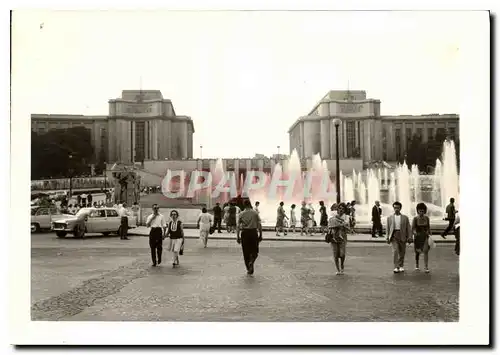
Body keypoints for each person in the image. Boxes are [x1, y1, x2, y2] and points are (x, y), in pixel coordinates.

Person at [236, 200, 263, 275]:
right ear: (250, 204)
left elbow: (238, 226)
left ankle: (249, 268)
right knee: (255, 251)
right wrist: (261, 234)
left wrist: (237, 236)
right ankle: (252, 261)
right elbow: (259, 224)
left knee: (246, 252)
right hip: (253, 232)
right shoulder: (255, 213)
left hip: (245, 233)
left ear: (244, 205)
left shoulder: (241, 214)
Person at [386, 201, 413, 273]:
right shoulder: (390, 218)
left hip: (402, 235)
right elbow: (388, 228)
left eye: (398, 208)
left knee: (402, 252)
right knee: (395, 251)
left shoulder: (405, 218)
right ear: (393, 208)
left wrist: (410, 237)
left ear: (400, 208)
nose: (396, 209)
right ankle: (396, 266)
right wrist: (387, 237)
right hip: (394, 235)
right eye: (395, 208)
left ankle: (401, 266)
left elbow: (408, 228)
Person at [328, 203, 350, 275]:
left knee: (342, 253)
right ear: (337, 209)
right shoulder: (333, 217)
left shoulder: (346, 217)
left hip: (343, 237)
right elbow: (329, 226)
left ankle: (342, 265)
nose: (341, 210)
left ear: (344, 210)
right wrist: (339, 224)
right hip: (334, 237)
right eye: (339, 208)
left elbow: (348, 228)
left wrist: (342, 225)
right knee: (335, 254)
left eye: (343, 209)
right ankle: (338, 269)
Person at [412, 202, 432, 273]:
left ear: (425, 211)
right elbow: (413, 228)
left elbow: (428, 227)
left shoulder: (427, 218)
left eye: (423, 211)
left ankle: (426, 266)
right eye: (420, 211)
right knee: (417, 252)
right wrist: (414, 233)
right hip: (418, 236)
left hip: (425, 236)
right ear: (417, 211)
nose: (421, 212)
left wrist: (429, 232)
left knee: (425, 251)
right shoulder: (415, 218)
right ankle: (417, 264)